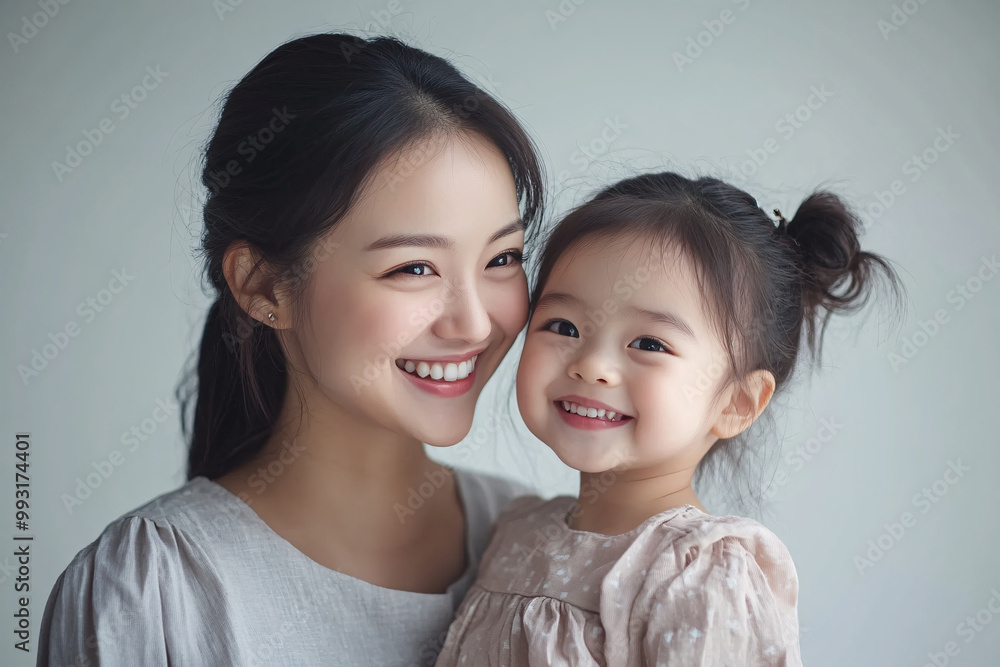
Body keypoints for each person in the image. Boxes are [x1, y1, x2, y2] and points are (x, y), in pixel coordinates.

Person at [37, 33, 546, 666]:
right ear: (263, 285)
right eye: (415, 269)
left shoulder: (539, 545)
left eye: (503, 258)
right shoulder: (152, 589)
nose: (474, 323)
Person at [434, 172, 902, 665]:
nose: (591, 364)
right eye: (564, 326)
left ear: (735, 403)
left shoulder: (701, 573)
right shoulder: (513, 530)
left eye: (649, 344)